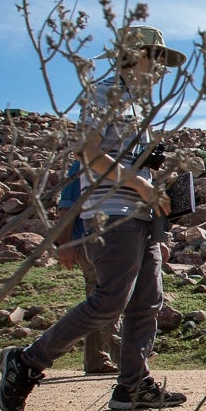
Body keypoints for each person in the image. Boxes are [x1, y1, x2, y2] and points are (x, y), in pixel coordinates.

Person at [0, 25, 188, 411]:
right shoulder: (104, 93)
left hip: (139, 215)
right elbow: (88, 152)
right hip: (110, 214)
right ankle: (28, 362)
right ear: (137, 56)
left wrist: (156, 189)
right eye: (159, 60)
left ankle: (133, 384)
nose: (163, 71)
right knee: (109, 301)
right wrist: (141, 185)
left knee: (146, 301)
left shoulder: (135, 104)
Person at [55, 160, 122, 375]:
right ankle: (124, 357)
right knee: (108, 298)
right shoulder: (83, 166)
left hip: (106, 241)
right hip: (88, 242)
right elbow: (67, 207)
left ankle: (96, 359)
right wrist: (65, 244)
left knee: (96, 300)